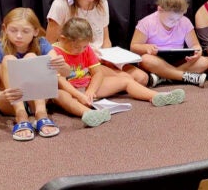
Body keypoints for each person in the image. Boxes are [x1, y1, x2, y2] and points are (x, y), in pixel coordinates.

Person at [52, 18, 185, 127]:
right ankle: (88, 113)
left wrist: (91, 91)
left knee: (126, 80)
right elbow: (60, 81)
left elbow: (97, 73)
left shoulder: (86, 49)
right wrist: (79, 95)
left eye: (84, 46)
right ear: (63, 39)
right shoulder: (54, 52)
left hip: (86, 86)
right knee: (59, 95)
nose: (81, 50)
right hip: (68, 89)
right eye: (76, 47)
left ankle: (156, 96)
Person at [44, 0, 151, 87]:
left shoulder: (101, 2)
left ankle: (99, 86)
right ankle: (94, 86)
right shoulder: (61, 4)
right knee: (128, 79)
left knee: (142, 78)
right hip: (78, 61)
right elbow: (49, 45)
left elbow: (106, 39)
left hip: (100, 59)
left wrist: (107, 57)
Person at [0, 8, 65, 141]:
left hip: (37, 100)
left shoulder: (42, 43)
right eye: (13, 30)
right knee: (8, 59)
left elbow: (64, 72)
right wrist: (1, 95)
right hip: (10, 103)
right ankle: (21, 115)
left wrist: (62, 65)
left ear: (35, 31)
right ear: (4, 29)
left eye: (25, 31)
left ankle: (41, 113)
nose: (18, 36)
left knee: (31, 56)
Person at [130, 0, 208, 86]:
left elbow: (196, 46)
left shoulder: (185, 22)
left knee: (203, 62)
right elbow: (133, 47)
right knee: (146, 59)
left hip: (178, 62)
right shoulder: (146, 22)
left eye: (178, 19)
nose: (176, 23)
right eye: (171, 19)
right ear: (159, 10)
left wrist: (197, 53)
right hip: (157, 62)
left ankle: (163, 78)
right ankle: (183, 76)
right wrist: (146, 47)